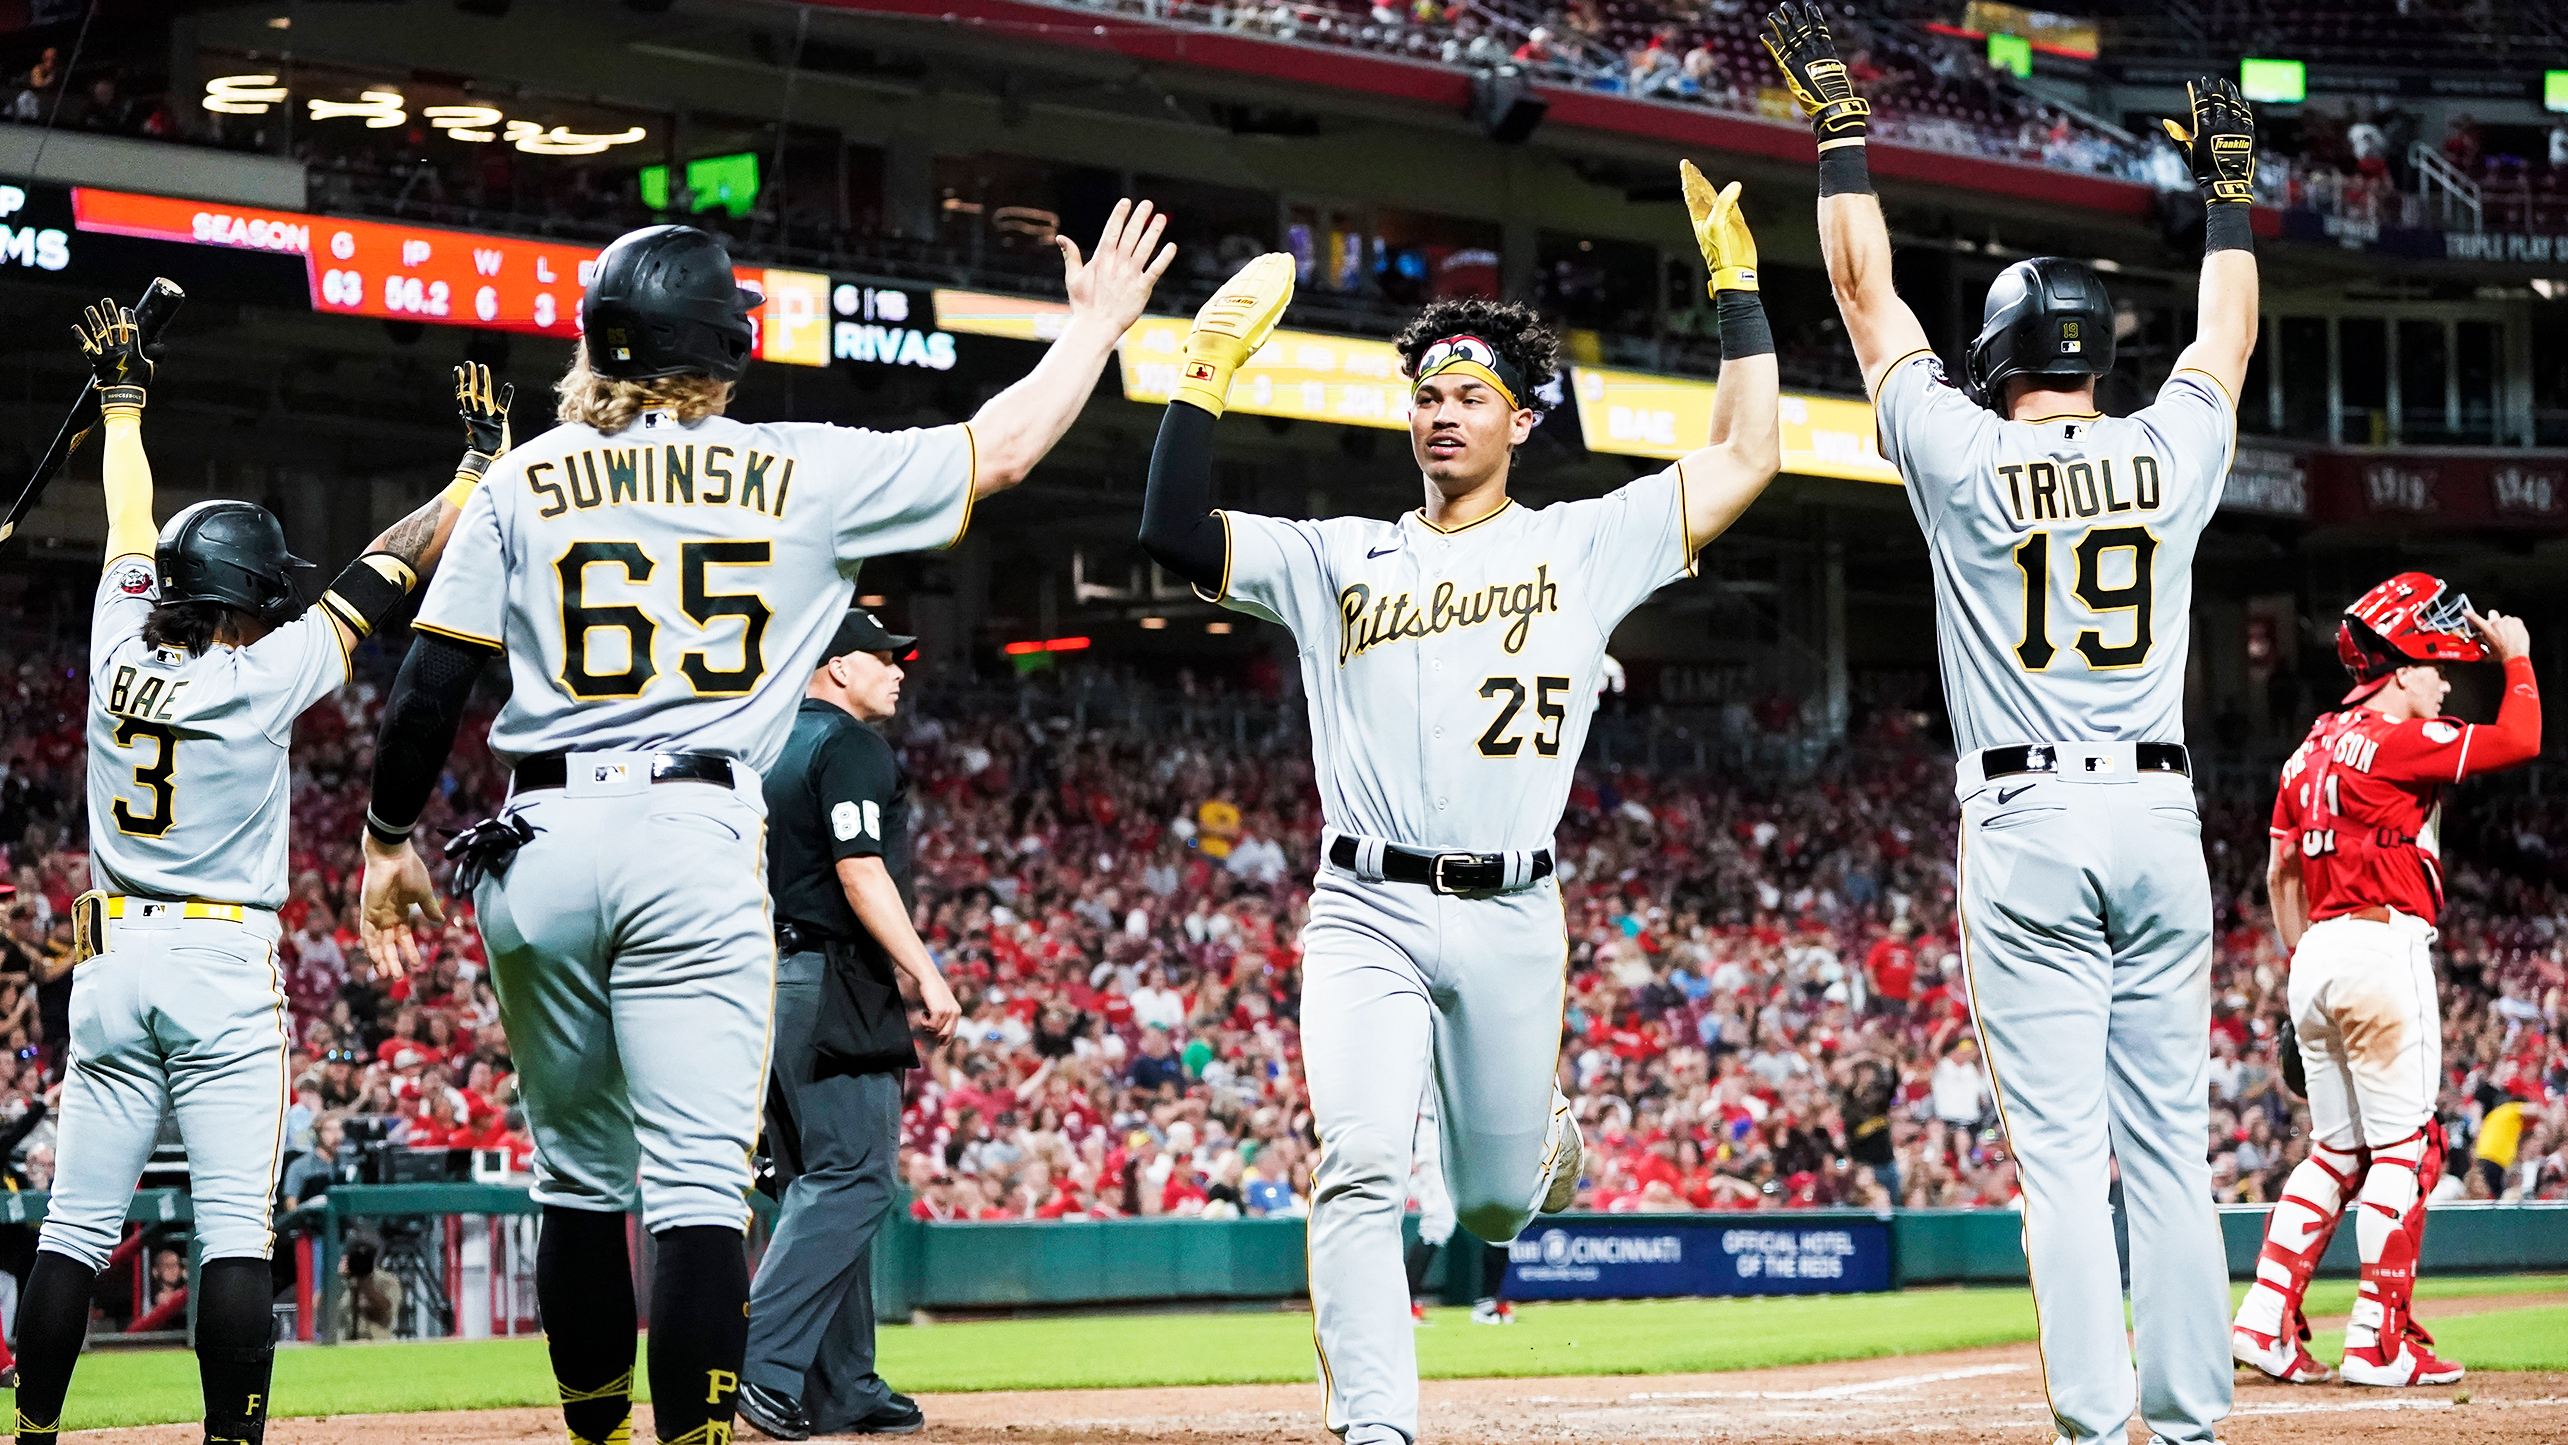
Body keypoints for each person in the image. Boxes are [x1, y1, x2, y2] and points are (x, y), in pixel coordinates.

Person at [355, 209, 1171, 1445]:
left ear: (596, 344)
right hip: (691, 831)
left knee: (575, 1176)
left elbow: (431, 679)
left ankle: (597, 1435)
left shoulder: (523, 473)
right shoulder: (801, 465)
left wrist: (383, 836)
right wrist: (1097, 326)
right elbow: (999, 450)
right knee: (693, 1190)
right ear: (731, 347)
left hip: (541, 837)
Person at [1137, 156, 1779, 1445]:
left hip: (1511, 913)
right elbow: (1170, 529)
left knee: (1490, 1205)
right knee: (1364, 1162)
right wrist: (1199, 374)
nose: (1442, 414)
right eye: (1426, 394)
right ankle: (1376, 1425)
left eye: (1470, 395)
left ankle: (1534, 1143)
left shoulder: (1579, 542)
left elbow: (1747, 454)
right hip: (1363, 902)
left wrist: (1740, 295)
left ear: (1520, 419)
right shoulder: (1334, 556)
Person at [1765, 5, 2259, 1439]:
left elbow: (1866, 299)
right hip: (2163, 817)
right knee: (2174, 1147)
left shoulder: (1962, 449)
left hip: (2031, 819)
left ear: (1996, 357)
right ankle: (2186, 1427)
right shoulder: (2170, 445)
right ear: (2102, 353)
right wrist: (2228, 191)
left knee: (2063, 1160)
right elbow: (2226, 325)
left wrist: (1843, 129)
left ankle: (2099, 1429)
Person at [9, 305, 498, 1445]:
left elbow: (131, 510)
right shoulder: (260, 674)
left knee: (75, 1226)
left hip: (111, 954)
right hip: (223, 961)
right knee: (235, 1225)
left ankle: (30, 1434)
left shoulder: (116, 637)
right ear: (247, 595)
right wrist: (475, 469)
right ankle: (232, 1440)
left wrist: (124, 401)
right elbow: (392, 562)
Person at [2231, 578, 2539, 1387]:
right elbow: (2521, 738)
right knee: (2410, 1147)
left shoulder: (2307, 748)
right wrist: (2519, 661)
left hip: (2316, 953)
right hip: (2380, 941)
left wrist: (2303, 961)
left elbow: (2278, 871)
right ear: (2399, 669)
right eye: (2436, 668)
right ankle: (2377, 1337)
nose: (2445, 682)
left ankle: (2263, 1319)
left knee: (2334, 1151)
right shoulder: (2402, 738)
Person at [736, 609, 963, 1441]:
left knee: (813, 1182)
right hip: (834, 978)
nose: (901, 668)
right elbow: (861, 871)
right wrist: (925, 970)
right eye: (884, 657)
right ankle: (759, 1366)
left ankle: (845, 1385)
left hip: (763, 981)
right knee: (855, 1177)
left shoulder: (762, 743)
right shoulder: (850, 746)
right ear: (834, 667)